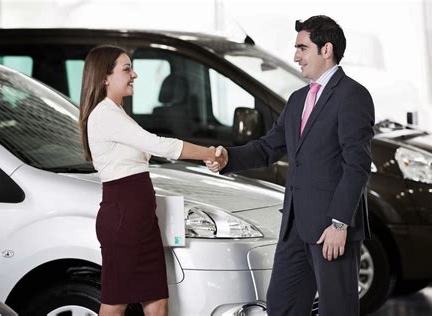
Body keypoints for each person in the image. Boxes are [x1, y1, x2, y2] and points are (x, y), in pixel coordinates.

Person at [207, 15, 375, 315]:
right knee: (282, 306)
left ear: (327, 49)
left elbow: (357, 165)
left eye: (302, 48)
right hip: (295, 227)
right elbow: (269, 148)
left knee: (337, 310)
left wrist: (340, 223)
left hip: (330, 229)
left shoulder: (353, 96)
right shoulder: (298, 99)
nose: (295, 56)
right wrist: (226, 157)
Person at [78, 45, 220, 316]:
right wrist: (209, 153)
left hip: (141, 220)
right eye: (127, 69)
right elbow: (160, 145)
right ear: (105, 77)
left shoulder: (117, 112)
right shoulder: (104, 114)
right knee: (115, 303)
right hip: (124, 221)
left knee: (157, 302)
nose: (135, 75)